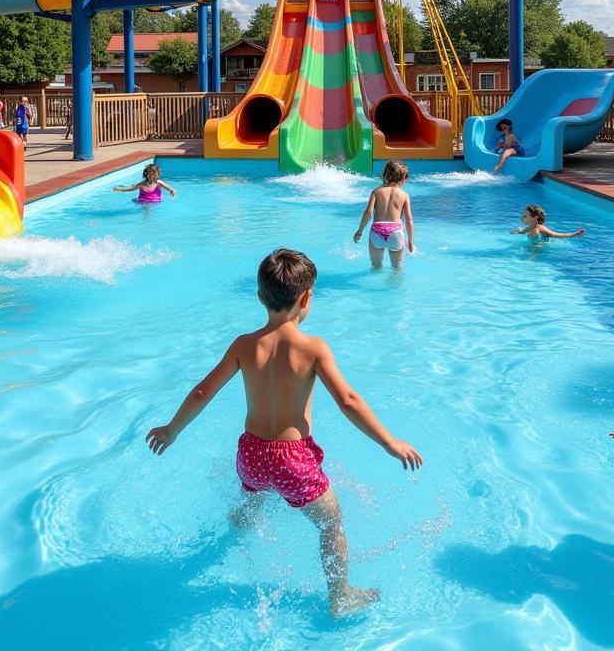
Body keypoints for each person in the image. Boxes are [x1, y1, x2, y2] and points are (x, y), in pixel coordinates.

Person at [144, 249, 423, 618]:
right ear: (306, 298)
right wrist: (389, 442)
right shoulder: (312, 348)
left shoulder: (244, 345)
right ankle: (340, 597)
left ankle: (239, 526)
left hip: (250, 454)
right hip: (293, 461)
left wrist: (171, 430)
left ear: (260, 297)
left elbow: (202, 392)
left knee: (255, 493)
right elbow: (349, 401)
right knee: (331, 523)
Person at [353, 159, 415, 268]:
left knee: (375, 265)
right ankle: (394, 285)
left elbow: (368, 212)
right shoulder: (404, 195)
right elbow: (409, 219)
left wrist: (360, 230)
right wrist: (410, 239)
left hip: (377, 230)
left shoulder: (376, 192)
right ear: (403, 178)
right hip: (395, 231)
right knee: (397, 266)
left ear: (385, 174)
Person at [510, 204, 585, 242]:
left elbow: (556, 235)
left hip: (540, 247)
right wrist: (514, 232)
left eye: (525, 216)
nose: (522, 218)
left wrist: (574, 234)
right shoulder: (528, 228)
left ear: (535, 217)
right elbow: (522, 232)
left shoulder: (540, 228)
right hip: (532, 246)